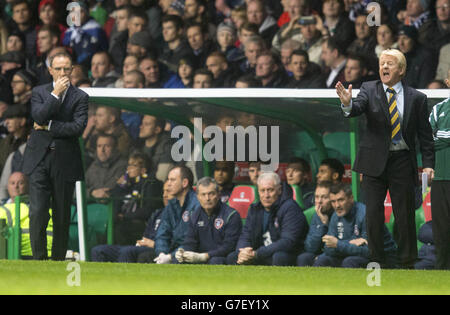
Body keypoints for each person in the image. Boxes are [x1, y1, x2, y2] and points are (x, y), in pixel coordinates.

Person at [335, 48, 434, 269]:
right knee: (373, 215)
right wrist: (347, 103)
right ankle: (377, 260)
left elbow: (425, 136)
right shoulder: (369, 89)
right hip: (373, 164)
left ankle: (408, 262)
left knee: (404, 215)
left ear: (401, 69)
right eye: (382, 63)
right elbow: (356, 109)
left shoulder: (417, 98)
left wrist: (428, 165)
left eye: (389, 63)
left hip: (402, 162)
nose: (384, 67)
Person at [22, 51, 89, 261]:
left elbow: (77, 128)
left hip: (65, 161)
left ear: (72, 70)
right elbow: (38, 115)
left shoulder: (80, 96)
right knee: (38, 212)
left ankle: (58, 259)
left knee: (61, 214)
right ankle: (39, 259)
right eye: (58, 68)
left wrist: (48, 126)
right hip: (39, 159)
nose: (62, 73)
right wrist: (55, 94)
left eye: (66, 69)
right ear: (50, 70)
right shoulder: (39, 92)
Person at [226, 171, 308, 266]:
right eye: (262, 190)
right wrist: (243, 251)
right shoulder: (254, 209)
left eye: (270, 190)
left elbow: (288, 242)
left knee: (279, 257)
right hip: (260, 253)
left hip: (287, 253)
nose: (266, 195)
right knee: (233, 256)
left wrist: (257, 253)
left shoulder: (290, 208)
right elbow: (246, 235)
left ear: (279, 190)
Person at [310, 183, 396, 268]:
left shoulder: (365, 215)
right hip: (350, 255)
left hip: (383, 258)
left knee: (350, 261)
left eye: (341, 200)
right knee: (322, 260)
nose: (337, 205)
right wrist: (347, 243)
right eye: (333, 201)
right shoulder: (336, 216)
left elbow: (370, 251)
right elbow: (328, 247)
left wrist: (338, 244)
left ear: (351, 198)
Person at [91, 181, 171, 263]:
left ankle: (124, 276)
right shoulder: (158, 213)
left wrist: (154, 244)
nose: (164, 195)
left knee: (127, 252)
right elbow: (146, 235)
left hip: (157, 248)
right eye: (163, 192)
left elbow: (176, 243)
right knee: (98, 250)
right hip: (143, 246)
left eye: (168, 191)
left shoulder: (178, 216)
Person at [175, 177, 242, 265]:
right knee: (179, 261)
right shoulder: (195, 215)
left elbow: (229, 246)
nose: (207, 198)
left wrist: (206, 256)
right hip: (199, 257)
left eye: (211, 194)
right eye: (203, 194)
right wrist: (183, 252)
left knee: (216, 261)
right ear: (198, 197)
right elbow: (190, 242)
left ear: (218, 194)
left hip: (221, 258)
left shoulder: (231, 215)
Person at [110, 151, 163, 245]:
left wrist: (125, 216)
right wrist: (120, 186)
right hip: (128, 220)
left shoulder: (151, 183)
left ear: (143, 170)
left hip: (144, 224)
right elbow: (115, 201)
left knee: (119, 229)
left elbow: (149, 209)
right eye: (128, 165)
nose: (128, 169)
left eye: (133, 165)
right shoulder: (130, 184)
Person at [153, 165, 200, 264]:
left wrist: (170, 257)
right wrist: (161, 253)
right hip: (170, 252)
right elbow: (162, 234)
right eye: (168, 180)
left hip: (190, 253)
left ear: (184, 183)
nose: (168, 184)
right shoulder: (171, 205)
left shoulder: (197, 204)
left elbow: (192, 241)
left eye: (172, 180)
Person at [0, 172, 52, 258]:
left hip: (34, 254)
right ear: (7, 187)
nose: (16, 186)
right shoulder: (3, 208)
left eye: (20, 183)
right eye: (12, 183)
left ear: (28, 186)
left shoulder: (40, 207)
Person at [429, 74, 450, 270]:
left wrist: (440, 135)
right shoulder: (438, 109)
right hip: (441, 177)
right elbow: (427, 138)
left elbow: (436, 136)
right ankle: (442, 270)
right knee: (441, 228)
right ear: (448, 81)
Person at [296, 181, 334, 266]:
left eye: (324, 197)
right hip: (319, 253)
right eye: (317, 197)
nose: (319, 201)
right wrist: (322, 225)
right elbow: (310, 247)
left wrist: (327, 224)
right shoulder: (317, 215)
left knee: (322, 260)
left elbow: (336, 245)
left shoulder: (338, 213)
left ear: (332, 198)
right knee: (304, 257)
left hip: (334, 254)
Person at [85, 133, 127, 199]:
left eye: (107, 146)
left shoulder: (122, 166)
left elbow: (107, 191)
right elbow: (76, 191)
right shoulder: (93, 166)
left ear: (115, 148)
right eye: (99, 146)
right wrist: (91, 192)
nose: (102, 150)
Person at [138, 115, 174, 182]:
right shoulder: (137, 145)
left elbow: (161, 178)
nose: (141, 127)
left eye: (146, 124)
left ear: (157, 129)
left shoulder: (167, 149)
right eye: (142, 123)